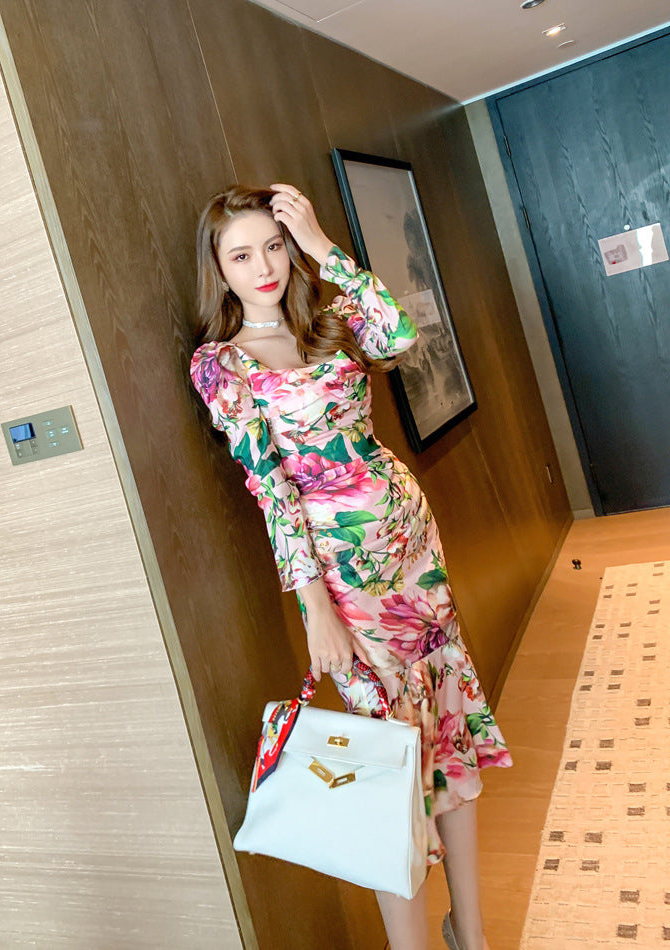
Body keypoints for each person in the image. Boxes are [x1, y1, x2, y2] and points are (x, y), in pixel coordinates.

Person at [189, 183, 512, 950]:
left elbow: (398, 336)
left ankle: (471, 932)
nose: (265, 266)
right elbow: (271, 491)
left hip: (412, 548)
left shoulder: (328, 322)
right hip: (345, 579)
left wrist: (324, 247)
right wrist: (315, 610)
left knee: (447, 726)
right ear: (218, 271)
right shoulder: (221, 365)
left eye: (274, 245)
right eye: (242, 255)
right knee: (389, 764)